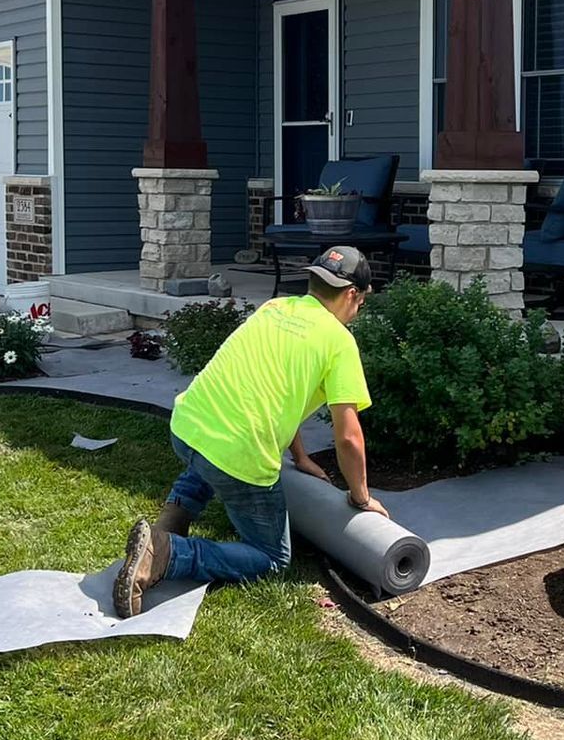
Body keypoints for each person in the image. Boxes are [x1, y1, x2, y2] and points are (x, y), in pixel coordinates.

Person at [115, 245, 386, 619]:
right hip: (236, 458)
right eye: (361, 303)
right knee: (272, 557)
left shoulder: (275, 309)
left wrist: (301, 457)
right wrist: (361, 497)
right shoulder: (338, 341)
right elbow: (349, 437)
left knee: (209, 454)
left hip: (187, 426)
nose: (358, 312)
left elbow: (272, 390)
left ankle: (170, 522)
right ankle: (167, 553)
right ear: (352, 295)